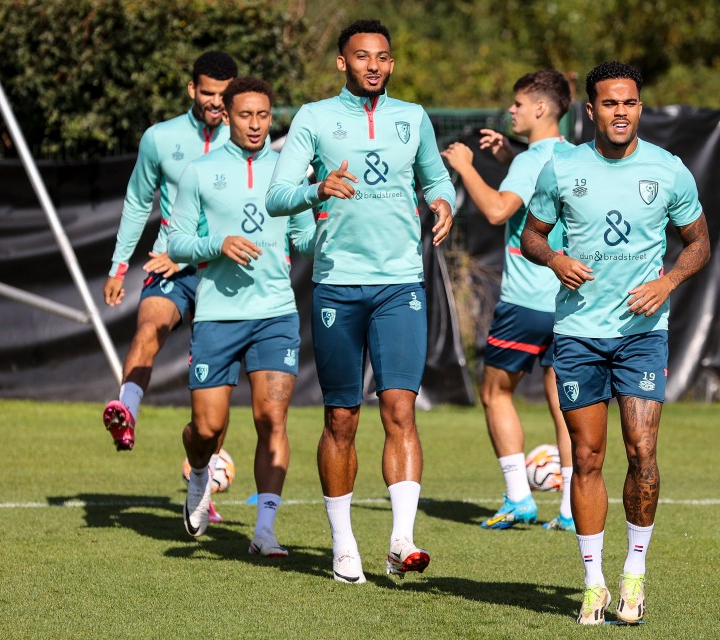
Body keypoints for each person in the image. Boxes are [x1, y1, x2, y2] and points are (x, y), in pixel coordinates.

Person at [521, 61, 711, 625]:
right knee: (586, 458)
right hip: (579, 334)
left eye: (629, 103)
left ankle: (634, 576)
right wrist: (555, 257)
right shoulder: (564, 166)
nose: (620, 112)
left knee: (643, 451)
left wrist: (668, 281)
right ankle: (594, 583)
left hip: (642, 336)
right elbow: (531, 234)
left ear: (640, 109)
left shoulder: (669, 170)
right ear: (592, 110)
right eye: (609, 103)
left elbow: (699, 242)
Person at [266, 19, 455, 583]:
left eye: (382, 57)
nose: (373, 65)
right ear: (342, 63)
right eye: (362, 56)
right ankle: (343, 544)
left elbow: (435, 180)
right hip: (337, 286)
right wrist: (316, 189)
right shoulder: (314, 119)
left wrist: (444, 205)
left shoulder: (412, 118)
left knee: (399, 408)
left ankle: (402, 539)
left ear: (391, 64)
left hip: (401, 284)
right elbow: (278, 196)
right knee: (342, 417)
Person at [168, 77, 315, 553]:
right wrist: (219, 245)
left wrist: (329, 214)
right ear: (226, 116)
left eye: (264, 116)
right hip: (217, 316)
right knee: (206, 429)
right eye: (246, 115)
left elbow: (305, 240)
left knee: (272, 417)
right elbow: (177, 243)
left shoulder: (289, 172)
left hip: (275, 314)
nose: (255, 124)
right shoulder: (200, 171)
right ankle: (198, 473)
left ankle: (265, 531)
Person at [440, 70, 576, 532]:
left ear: (541, 108)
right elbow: (544, 178)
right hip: (570, 301)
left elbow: (499, 209)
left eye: (519, 103)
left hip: (525, 300)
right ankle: (572, 508)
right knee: (565, 404)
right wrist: (509, 154)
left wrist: (466, 167)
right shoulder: (576, 156)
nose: (512, 110)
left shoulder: (530, 158)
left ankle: (519, 497)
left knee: (494, 392)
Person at [102, 51, 238, 454]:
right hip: (170, 264)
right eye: (209, 93)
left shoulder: (247, 140)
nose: (216, 102)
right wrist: (117, 266)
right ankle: (125, 413)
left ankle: (203, 476)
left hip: (223, 269)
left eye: (224, 94)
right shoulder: (160, 138)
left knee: (214, 386)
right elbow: (136, 202)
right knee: (149, 329)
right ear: (192, 89)